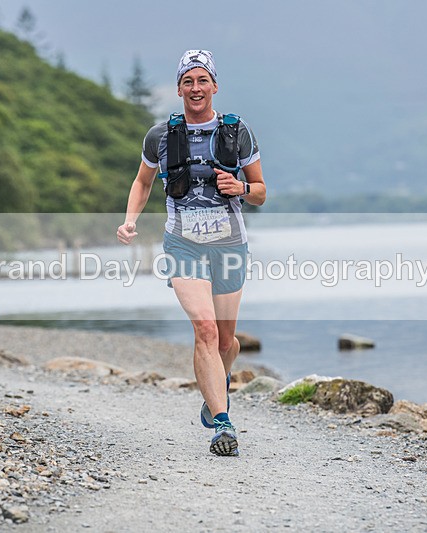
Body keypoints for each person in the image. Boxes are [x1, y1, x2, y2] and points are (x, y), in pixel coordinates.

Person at [117, 49, 266, 457]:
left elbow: (260, 192)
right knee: (205, 330)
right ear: (179, 89)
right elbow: (143, 182)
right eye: (188, 81)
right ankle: (222, 423)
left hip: (229, 244)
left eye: (202, 80)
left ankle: (219, 383)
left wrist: (241, 188)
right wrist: (130, 220)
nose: (195, 88)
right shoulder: (160, 136)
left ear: (215, 86)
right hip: (182, 243)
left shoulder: (237, 132)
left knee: (227, 341)